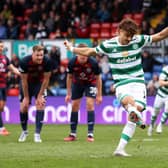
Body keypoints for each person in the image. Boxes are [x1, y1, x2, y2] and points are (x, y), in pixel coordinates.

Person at [64, 18, 168, 156]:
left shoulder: (138, 40)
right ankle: (133, 111)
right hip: (121, 83)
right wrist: (71, 48)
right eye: (127, 36)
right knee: (131, 105)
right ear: (119, 31)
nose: (129, 39)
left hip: (138, 82)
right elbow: (89, 52)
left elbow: (160, 35)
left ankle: (120, 149)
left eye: (131, 36)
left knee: (136, 111)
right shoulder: (109, 45)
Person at [64, 43, 102, 142]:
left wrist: (99, 95)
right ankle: (72, 134)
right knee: (74, 105)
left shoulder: (93, 63)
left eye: (85, 54)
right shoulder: (72, 62)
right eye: (81, 54)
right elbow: (69, 77)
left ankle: (90, 134)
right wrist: (68, 93)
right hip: (77, 84)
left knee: (90, 104)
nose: (83, 56)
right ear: (77, 53)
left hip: (90, 83)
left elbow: (98, 78)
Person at [18, 45, 52, 143]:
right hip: (27, 84)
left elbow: (46, 79)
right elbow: (23, 81)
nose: (40, 57)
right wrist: (26, 97)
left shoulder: (47, 61)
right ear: (33, 53)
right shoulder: (24, 62)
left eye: (41, 55)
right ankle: (24, 131)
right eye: (37, 55)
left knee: (41, 105)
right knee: (24, 107)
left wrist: (40, 95)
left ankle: (37, 134)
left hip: (40, 84)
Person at [0, 40, 20, 135]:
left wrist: (22, 74)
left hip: (4, 86)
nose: (1, 48)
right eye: (0, 46)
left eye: (2, 46)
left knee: (2, 108)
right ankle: (1, 128)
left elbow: (13, 69)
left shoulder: (5, 58)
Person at [148, 65, 168, 136]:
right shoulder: (166, 69)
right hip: (161, 94)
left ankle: (160, 125)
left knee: (167, 109)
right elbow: (160, 82)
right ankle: (152, 125)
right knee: (155, 113)